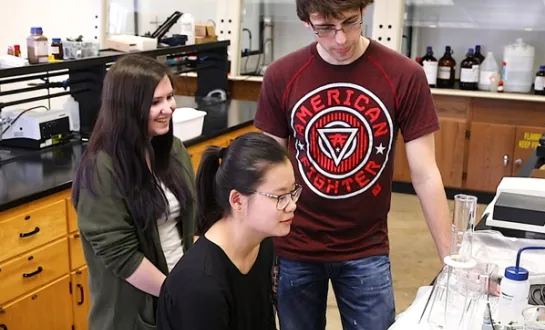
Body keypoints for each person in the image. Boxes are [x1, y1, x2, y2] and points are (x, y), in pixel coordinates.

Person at [253, 0, 453, 329]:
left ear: (364, 10)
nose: (341, 39)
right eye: (326, 28)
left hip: (366, 248)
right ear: (307, 22)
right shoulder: (282, 75)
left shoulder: (404, 75)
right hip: (295, 244)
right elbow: (265, 169)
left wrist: (451, 260)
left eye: (350, 22)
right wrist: (253, 247)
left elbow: (426, 175)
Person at [72, 54, 197, 330]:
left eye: (170, 97)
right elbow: (122, 256)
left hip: (179, 297)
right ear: (128, 107)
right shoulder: (101, 169)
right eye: (155, 102)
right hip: (135, 316)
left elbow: (192, 224)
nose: (169, 108)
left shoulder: (172, 149)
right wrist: (175, 294)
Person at [156, 132, 300, 330]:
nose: (292, 205)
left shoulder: (262, 244)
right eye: (280, 196)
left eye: (293, 192)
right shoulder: (200, 285)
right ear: (237, 200)